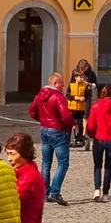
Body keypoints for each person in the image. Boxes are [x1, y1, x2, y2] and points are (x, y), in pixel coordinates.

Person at [28, 75, 74, 205]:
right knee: (63, 163)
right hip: (58, 131)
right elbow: (66, 116)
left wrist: (43, 120)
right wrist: (70, 125)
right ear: (55, 83)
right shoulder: (58, 97)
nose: (63, 86)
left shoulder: (39, 95)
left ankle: (44, 193)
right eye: (61, 83)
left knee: (46, 163)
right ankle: (55, 192)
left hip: (45, 130)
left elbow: (32, 111)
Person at [85, 81, 111, 200]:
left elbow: (90, 126)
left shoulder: (95, 106)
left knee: (97, 165)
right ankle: (105, 193)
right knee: (108, 167)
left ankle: (96, 190)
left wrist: (92, 135)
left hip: (98, 138)